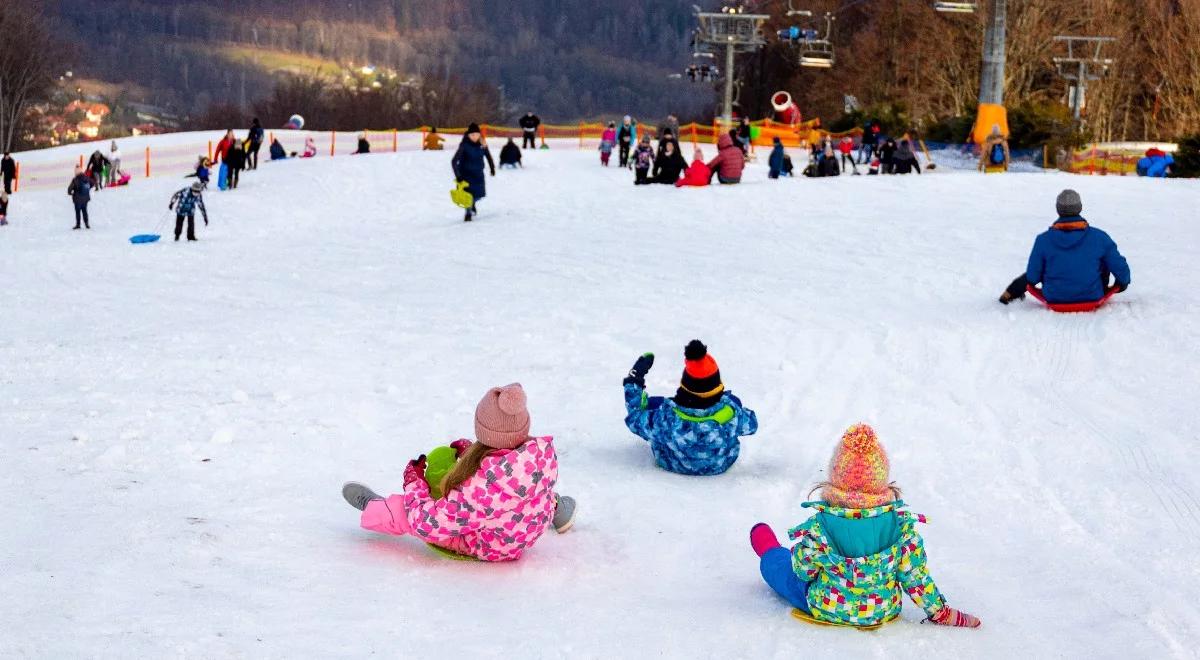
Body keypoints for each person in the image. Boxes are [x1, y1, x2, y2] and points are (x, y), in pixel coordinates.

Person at [749, 424, 982, 629]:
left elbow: (803, 571)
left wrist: (807, 554)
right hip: (883, 610)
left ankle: (770, 550)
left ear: (835, 477)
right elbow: (915, 577)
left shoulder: (820, 527)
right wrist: (940, 611)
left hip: (826, 607)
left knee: (786, 572)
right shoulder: (900, 529)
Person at [341, 383, 577, 562]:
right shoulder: (539, 453)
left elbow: (428, 523)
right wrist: (470, 456)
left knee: (409, 513)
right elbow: (508, 483)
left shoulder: (480, 490)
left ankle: (378, 508)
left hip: (493, 546)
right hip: (526, 526)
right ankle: (560, 511)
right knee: (533, 490)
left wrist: (415, 484)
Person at [622, 341, 758, 476]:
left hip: (672, 463)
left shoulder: (665, 418)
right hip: (720, 465)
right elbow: (752, 425)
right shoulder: (731, 415)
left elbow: (634, 417)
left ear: (685, 387)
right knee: (735, 400)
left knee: (654, 403)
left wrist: (634, 380)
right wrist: (732, 405)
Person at [1000, 189, 1131, 305]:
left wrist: (1016, 288)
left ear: (1058, 209)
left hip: (1054, 297)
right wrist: (1122, 284)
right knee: (1104, 259)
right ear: (1080, 208)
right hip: (1092, 295)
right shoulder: (1100, 237)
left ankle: (1009, 293)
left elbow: (1033, 277)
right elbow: (1121, 270)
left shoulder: (1043, 240)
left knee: (1048, 263)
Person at [451, 123, 495, 222]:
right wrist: (458, 176)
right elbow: (453, 161)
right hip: (466, 175)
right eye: (472, 135)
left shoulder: (482, 144)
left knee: (479, 195)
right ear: (468, 135)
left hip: (478, 175)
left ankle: (472, 204)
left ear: (479, 134)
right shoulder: (464, 146)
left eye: (476, 134)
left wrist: (492, 167)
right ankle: (468, 213)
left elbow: (488, 156)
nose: (474, 136)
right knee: (468, 197)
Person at [67, 166, 92, 230]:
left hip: (77, 199)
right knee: (84, 210)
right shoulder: (86, 177)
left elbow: (69, 189)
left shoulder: (75, 179)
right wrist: (88, 189)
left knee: (78, 211)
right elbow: (92, 183)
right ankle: (86, 224)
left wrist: (70, 193)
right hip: (85, 198)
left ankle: (78, 225)